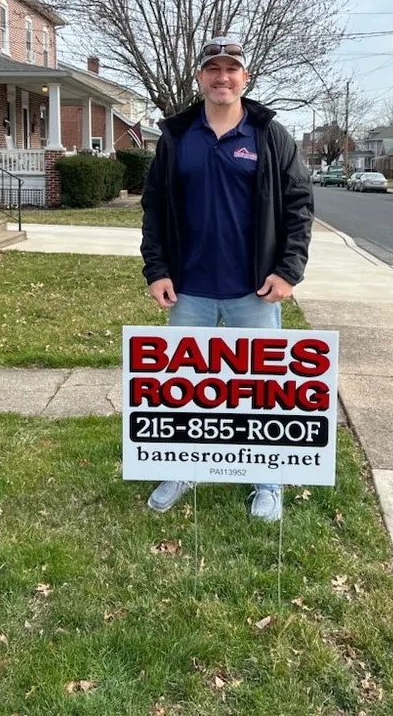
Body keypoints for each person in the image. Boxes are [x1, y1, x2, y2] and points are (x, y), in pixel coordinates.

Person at [140, 35, 314, 522]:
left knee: (262, 389)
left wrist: (287, 270)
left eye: (231, 69)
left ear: (245, 77)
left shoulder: (269, 135)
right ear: (199, 78)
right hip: (189, 290)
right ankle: (182, 466)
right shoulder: (177, 137)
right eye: (212, 69)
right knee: (185, 386)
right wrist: (156, 270)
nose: (222, 77)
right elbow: (153, 207)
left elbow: (299, 206)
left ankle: (267, 481)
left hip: (253, 291)